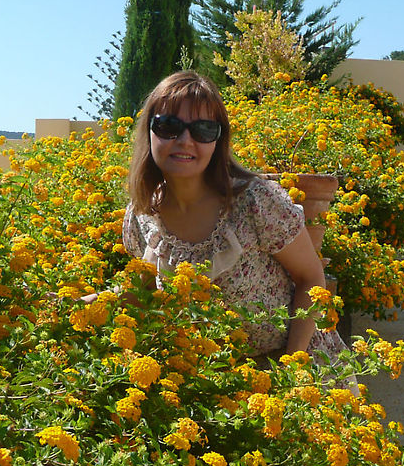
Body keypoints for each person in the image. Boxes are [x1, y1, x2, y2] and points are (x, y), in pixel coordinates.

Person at [122, 70, 351, 371]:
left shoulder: (255, 202)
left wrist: (290, 370)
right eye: (169, 126)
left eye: (203, 130)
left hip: (292, 368)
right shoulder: (142, 216)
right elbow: (143, 299)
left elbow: (311, 279)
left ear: (218, 140)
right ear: (149, 132)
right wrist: (79, 304)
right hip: (207, 385)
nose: (185, 140)